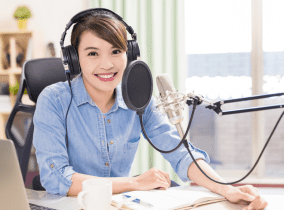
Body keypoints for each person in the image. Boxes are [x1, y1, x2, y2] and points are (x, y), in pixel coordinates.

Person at [33, 9, 268, 210]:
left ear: (130, 54)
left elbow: (180, 152)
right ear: (73, 59)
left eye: (116, 51)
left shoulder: (139, 99)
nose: (107, 64)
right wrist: (134, 183)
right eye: (92, 53)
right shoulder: (54, 100)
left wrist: (226, 189)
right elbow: (56, 179)